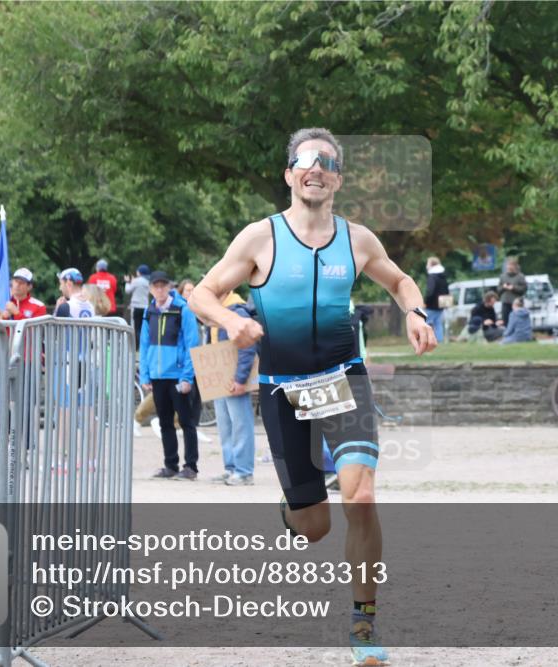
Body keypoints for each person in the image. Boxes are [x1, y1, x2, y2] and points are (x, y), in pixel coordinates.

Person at [188, 127, 437, 666]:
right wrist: (231, 320)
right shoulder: (260, 238)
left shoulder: (358, 239)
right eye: (305, 161)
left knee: (361, 496)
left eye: (327, 162)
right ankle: (295, 508)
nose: (316, 168)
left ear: (338, 179)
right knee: (314, 527)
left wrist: (416, 313)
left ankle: (363, 624)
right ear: (290, 175)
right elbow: (202, 294)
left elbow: (400, 282)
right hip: (285, 388)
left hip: (343, 378)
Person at [140, 271, 202, 481]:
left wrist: (187, 377)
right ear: (150, 289)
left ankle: (191, 467)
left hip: (178, 375)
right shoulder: (149, 311)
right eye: (155, 286)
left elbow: (192, 344)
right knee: (165, 422)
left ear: (170, 287)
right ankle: (171, 465)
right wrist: (145, 375)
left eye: (163, 286)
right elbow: (144, 344)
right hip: (158, 376)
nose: (159, 289)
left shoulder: (183, 310)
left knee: (186, 422)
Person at [208, 291, 257, 486]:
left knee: (240, 425)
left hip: (234, 378)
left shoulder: (237, 311)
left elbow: (247, 346)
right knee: (225, 426)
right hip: (222, 377)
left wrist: (240, 379)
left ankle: (244, 471)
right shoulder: (218, 312)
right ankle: (231, 468)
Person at [124, 264, 151, 348]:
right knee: (144, 327)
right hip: (145, 306)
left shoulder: (136, 281)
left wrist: (128, 282)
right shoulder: (149, 281)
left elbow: (128, 290)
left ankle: (136, 345)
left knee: (135, 326)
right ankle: (143, 345)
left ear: (139, 272)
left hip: (136, 306)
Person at [423, 256, 450, 343]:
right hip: (441, 304)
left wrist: (426, 302)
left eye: (428, 264)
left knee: (425, 321)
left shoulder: (432, 276)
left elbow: (430, 291)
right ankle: (439, 340)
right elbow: (446, 290)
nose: (427, 266)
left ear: (432, 265)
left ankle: (426, 339)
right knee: (438, 323)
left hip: (432, 304)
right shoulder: (443, 276)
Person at [498, 256, 527, 328]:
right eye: (508, 265)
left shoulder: (520, 276)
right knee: (506, 322)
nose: (509, 267)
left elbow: (523, 289)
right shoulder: (502, 276)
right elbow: (498, 290)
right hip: (506, 303)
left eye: (511, 265)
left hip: (517, 304)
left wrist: (513, 288)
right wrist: (504, 287)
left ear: (515, 266)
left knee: (518, 322)